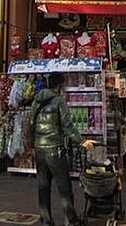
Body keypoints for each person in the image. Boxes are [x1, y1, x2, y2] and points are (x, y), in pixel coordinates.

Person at [30, 73, 95, 226]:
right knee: (64, 188)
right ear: (60, 85)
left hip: (39, 149)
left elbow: (32, 123)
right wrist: (82, 141)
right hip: (55, 150)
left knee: (43, 187)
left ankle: (46, 220)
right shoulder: (59, 101)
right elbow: (68, 126)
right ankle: (71, 220)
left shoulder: (36, 101)